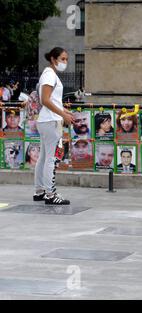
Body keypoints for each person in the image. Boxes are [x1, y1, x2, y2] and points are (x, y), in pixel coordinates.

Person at [33, 47, 74, 205]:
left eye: (66, 59)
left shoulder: (48, 74)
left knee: (43, 158)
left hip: (46, 120)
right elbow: (45, 100)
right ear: (53, 58)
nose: (65, 62)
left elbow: (51, 100)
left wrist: (64, 111)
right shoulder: (50, 75)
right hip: (51, 122)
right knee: (51, 158)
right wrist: (63, 115)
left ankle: (39, 191)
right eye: (62, 59)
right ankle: (50, 194)